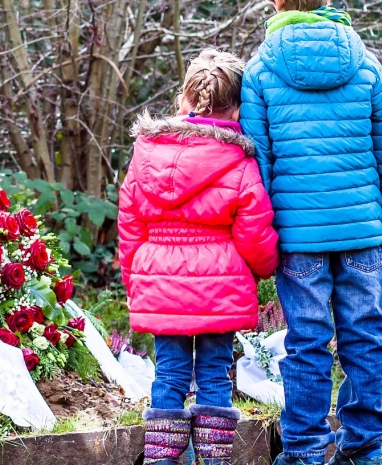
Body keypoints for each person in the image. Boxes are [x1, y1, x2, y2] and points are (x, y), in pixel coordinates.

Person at [238, 0, 382, 465]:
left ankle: (304, 451)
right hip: (365, 237)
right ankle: (363, 451)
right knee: (366, 341)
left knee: (306, 344)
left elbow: (257, 170)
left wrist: (264, 244)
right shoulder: (367, 68)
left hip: (299, 242)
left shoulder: (261, 71)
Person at [119, 49, 279, 465]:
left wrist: (137, 280)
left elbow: (130, 222)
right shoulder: (239, 161)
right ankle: (213, 461)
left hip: (161, 283)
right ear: (239, 108)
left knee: (168, 375)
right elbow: (255, 230)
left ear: (184, 101)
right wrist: (264, 268)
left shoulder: (147, 153)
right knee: (213, 376)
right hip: (220, 289)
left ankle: (161, 460)